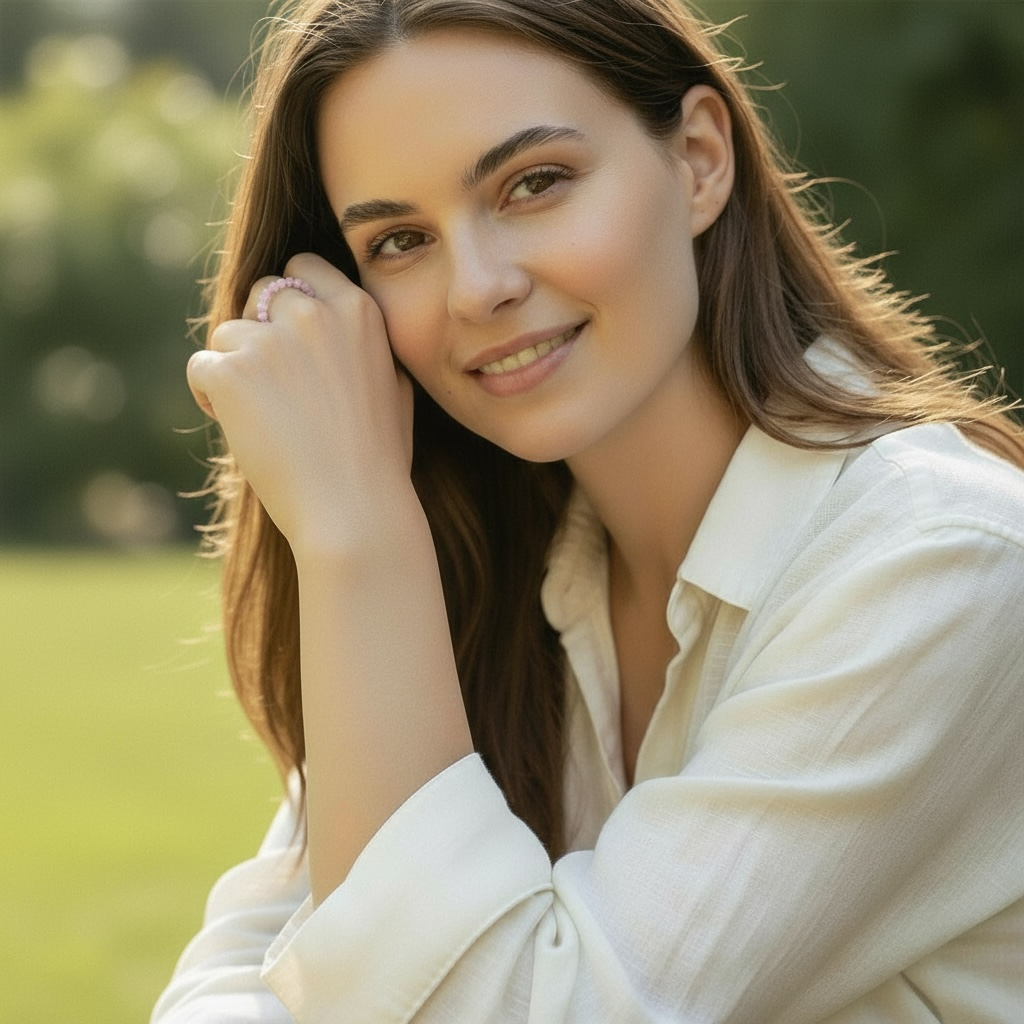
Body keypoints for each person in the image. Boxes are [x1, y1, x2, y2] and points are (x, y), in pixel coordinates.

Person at [151, 0, 1024, 1020]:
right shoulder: (489, 562)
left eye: (535, 183)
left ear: (698, 160)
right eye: (398, 242)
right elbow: (242, 974)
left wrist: (357, 529)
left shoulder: (943, 564)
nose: (477, 287)